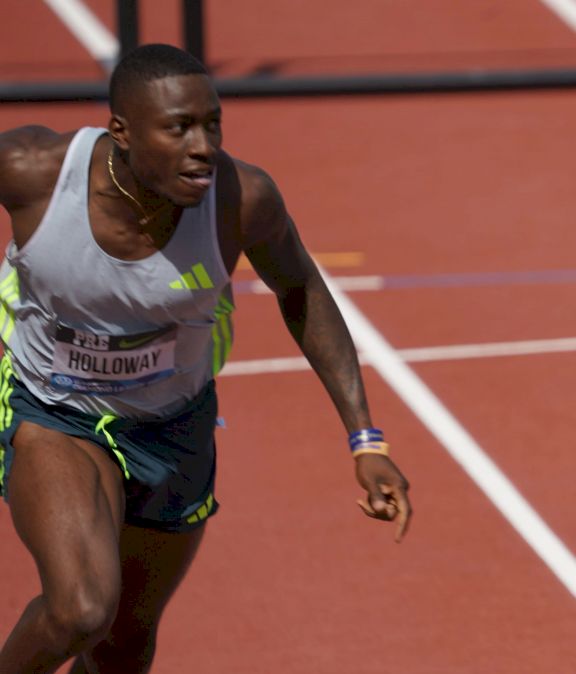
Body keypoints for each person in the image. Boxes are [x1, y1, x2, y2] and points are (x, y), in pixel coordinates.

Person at [0, 44, 412, 673]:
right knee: (80, 611)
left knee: (125, 646)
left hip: (175, 426)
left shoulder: (242, 200)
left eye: (211, 123)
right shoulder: (32, 170)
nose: (203, 146)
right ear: (123, 132)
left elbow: (300, 289)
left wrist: (366, 439)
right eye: (178, 128)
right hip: (57, 410)